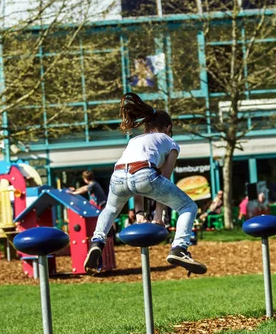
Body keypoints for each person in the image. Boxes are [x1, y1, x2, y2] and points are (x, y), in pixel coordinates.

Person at [84, 93, 206, 275]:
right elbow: (165, 179)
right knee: (188, 207)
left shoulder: (135, 140)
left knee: (109, 209)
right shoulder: (170, 142)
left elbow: (133, 185)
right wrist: (158, 218)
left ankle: (97, 242)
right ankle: (179, 248)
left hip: (118, 175)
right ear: (168, 128)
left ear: (147, 127)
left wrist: (140, 214)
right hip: (143, 173)